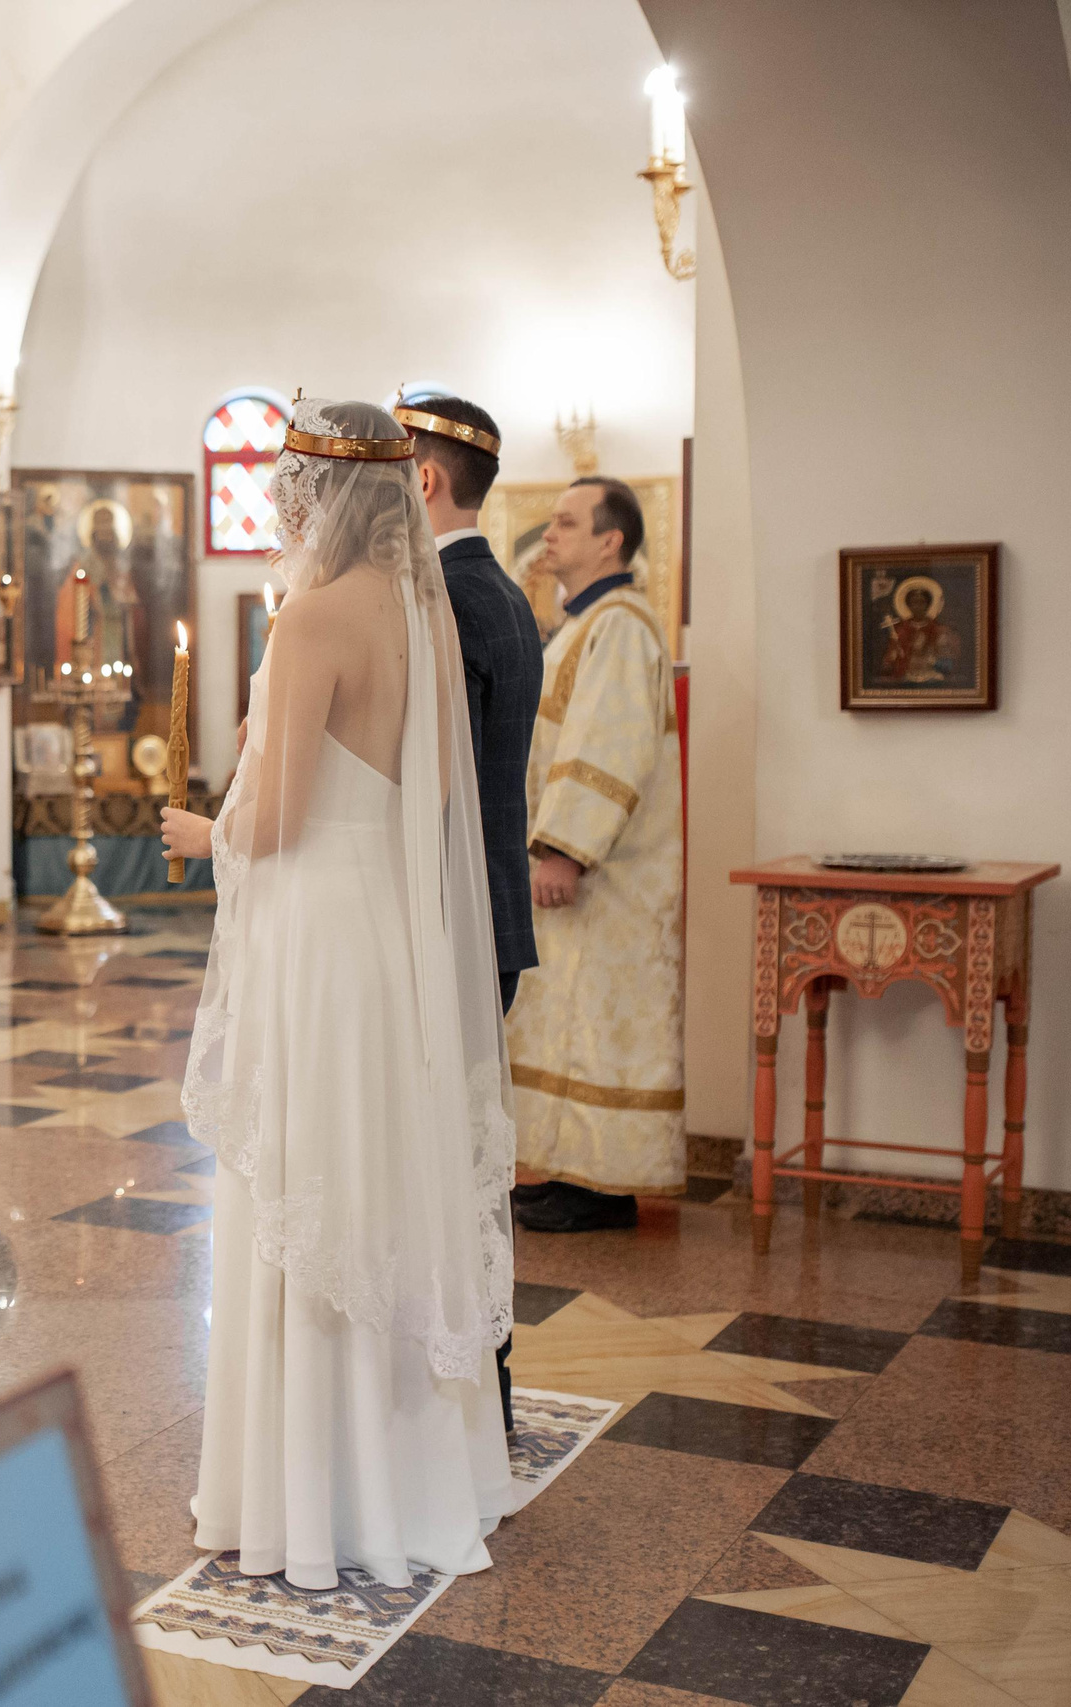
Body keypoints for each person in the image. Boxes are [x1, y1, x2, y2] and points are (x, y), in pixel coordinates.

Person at [159, 400, 513, 1590]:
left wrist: (195, 827)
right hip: (386, 933)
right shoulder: (416, 610)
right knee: (379, 1180)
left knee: (309, 1180)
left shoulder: (308, 620)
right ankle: (406, 1479)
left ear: (317, 496)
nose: (276, 506)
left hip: (316, 932)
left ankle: (309, 1498)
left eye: (284, 486)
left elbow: (277, 816)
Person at [399, 396, 539, 1436]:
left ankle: (460, 1406)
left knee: (440, 1171)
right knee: (464, 1162)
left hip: (447, 917)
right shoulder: (501, 592)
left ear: (426, 480)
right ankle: (471, 1396)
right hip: (485, 911)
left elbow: (417, 783)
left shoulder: (443, 600)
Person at [505, 478, 685, 1231]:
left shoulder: (620, 624)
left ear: (611, 540)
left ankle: (607, 1185)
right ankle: (573, 1167)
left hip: (608, 873)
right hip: (583, 870)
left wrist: (565, 851)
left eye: (569, 523)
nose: (551, 534)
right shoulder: (583, 624)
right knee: (570, 1018)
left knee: (604, 1021)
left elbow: (607, 744)